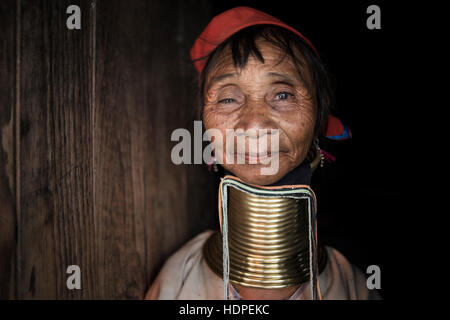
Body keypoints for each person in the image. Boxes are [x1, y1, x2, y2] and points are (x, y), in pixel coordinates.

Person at [146, 6, 380, 300]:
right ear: (205, 125)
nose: (254, 124)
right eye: (229, 98)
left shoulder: (352, 287)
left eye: (282, 95)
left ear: (319, 118)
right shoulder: (180, 276)